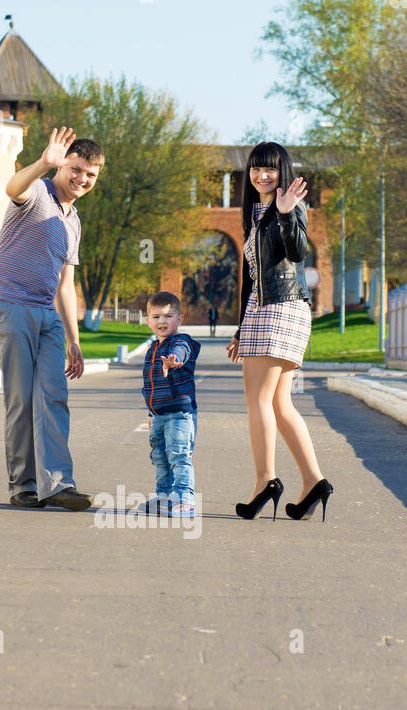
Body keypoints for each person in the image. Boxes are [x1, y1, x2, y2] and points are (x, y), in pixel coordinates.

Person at [0, 126, 103, 509]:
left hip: (45, 311)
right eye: (76, 169)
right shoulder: (38, 194)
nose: (82, 179)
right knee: (22, 399)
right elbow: (12, 188)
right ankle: (23, 486)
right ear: (62, 165)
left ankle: (58, 484)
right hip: (8, 303)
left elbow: (66, 285)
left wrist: (74, 339)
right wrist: (42, 164)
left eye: (91, 175)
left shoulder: (73, 221)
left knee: (53, 396)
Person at [226, 141, 333, 522]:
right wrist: (240, 329)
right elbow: (249, 278)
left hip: (278, 307)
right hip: (264, 308)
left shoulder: (287, 205)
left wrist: (287, 215)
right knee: (278, 403)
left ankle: (265, 481)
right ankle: (313, 482)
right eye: (256, 168)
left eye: (270, 168)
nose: (262, 175)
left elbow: (299, 252)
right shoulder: (253, 213)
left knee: (258, 400)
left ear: (282, 171)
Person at [141, 292, 201, 517]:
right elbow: (151, 386)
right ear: (148, 321)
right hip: (158, 415)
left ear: (180, 319)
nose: (162, 321)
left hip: (179, 414)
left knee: (179, 455)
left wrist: (174, 360)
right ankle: (165, 496)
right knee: (159, 457)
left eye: (168, 315)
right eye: (156, 317)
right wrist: (150, 413)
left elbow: (183, 352)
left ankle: (185, 500)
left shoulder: (181, 342)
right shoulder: (152, 349)